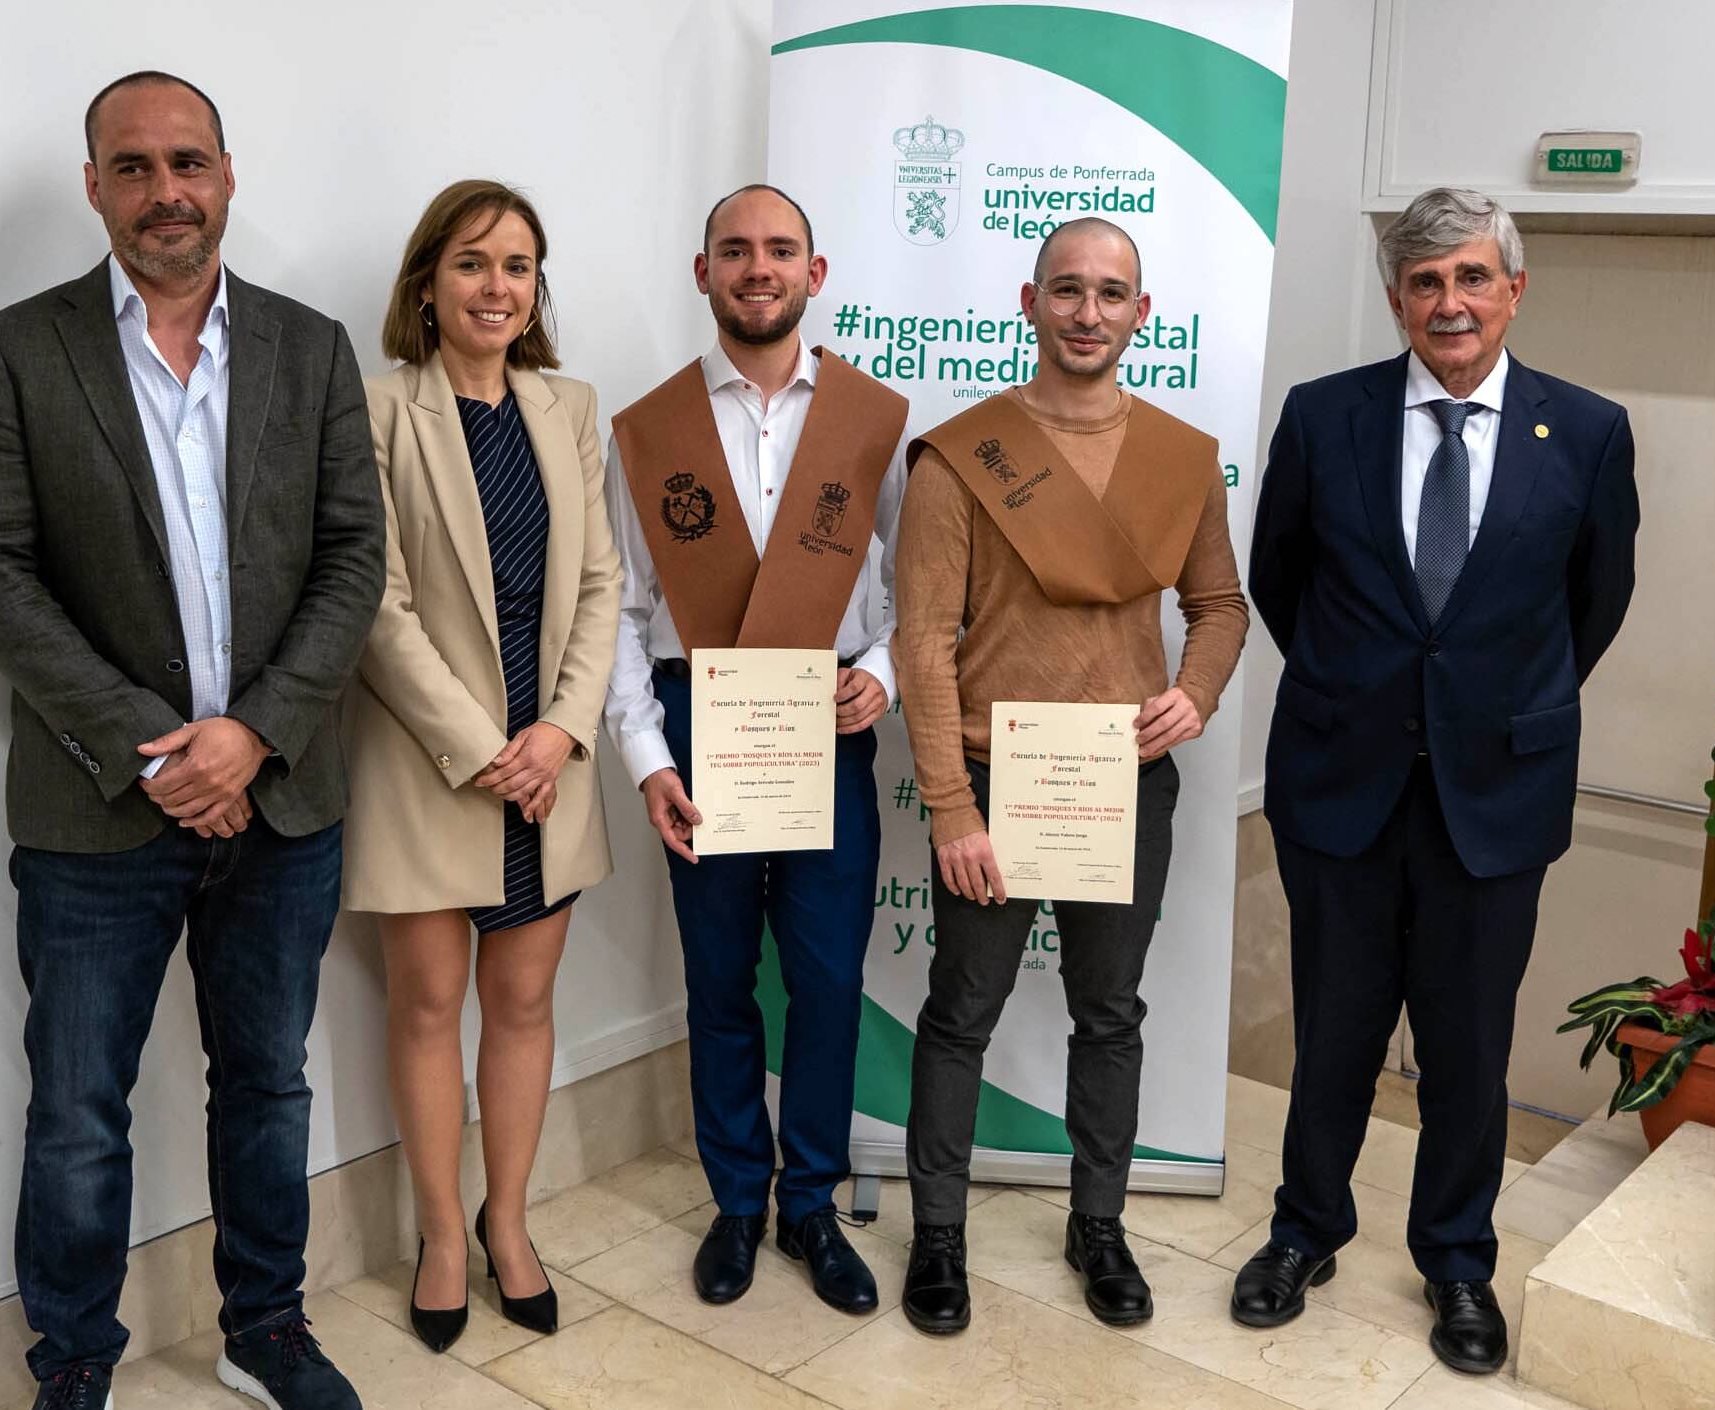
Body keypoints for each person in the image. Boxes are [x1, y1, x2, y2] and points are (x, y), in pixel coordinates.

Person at [0, 71, 384, 1410]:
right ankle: (76, 1357)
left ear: (229, 175)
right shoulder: (21, 349)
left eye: (186, 161)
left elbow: (354, 559)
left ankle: (266, 1326)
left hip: (283, 801)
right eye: (131, 167)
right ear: (95, 188)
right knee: (77, 1111)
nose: (164, 190)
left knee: (268, 1082)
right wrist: (159, 745)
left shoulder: (311, 349)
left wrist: (251, 734)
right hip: (94, 815)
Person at [1237, 187, 1638, 1374]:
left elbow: (1590, 604)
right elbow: (1279, 580)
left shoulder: (1588, 429)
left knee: (1467, 1046)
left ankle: (1457, 1260)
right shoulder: (1324, 418)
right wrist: (1369, 688)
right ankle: (1303, 1228)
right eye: (1423, 282)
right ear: (1395, 298)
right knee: (1332, 1033)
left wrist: (1482, 699)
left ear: (1512, 289)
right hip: (1339, 786)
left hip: (1494, 796)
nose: (1447, 302)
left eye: (1469, 278)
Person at [893, 218, 1248, 1335]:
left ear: (1141, 313)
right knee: (961, 1015)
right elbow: (919, 644)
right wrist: (949, 805)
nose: (1086, 312)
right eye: (1065, 291)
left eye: (1109, 294)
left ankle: (1098, 1223)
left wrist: (1192, 692)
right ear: (1027, 300)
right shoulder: (962, 456)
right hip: (993, 782)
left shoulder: (1181, 459)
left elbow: (1219, 607)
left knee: (1109, 1014)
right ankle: (938, 1234)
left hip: (1117, 783)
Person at [601, 185, 909, 1312]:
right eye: (735, 250)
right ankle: (738, 1200)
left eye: (780, 250)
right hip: (698, 725)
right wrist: (647, 758)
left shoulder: (874, 425)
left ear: (813, 275)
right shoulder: (651, 431)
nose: (758, 267)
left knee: (826, 984)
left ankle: (810, 1206)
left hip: (824, 729)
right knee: (719, 980)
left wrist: (878, 677)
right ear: (703, 272)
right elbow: (623, 612)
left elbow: (918, 599)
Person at [342, 180, 620, 1351]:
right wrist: (481, 749)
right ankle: (442, 1237)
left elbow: (601, 584)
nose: (496, 287)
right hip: (428, 763)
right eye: (471, 264)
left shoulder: (568, 407)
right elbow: (373, 605)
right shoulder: (373, 409)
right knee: (426, 1008)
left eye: (516, 266)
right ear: (426, 284)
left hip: (548, 766)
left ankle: (509, 1226)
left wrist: (557, 733)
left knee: (520, 1006)